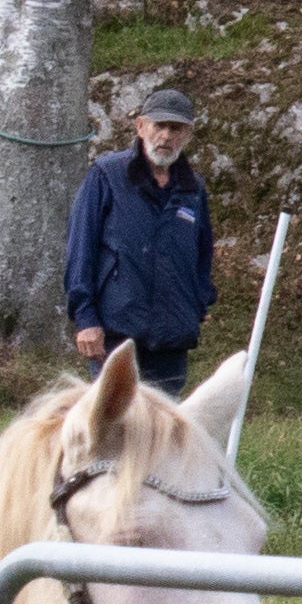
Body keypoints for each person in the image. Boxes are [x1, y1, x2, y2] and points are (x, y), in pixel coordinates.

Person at [62, 79, 218, 388]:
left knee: (163, 419)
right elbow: (80, 249)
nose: (166, 136)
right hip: (115, 335)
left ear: (188, 134)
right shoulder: (107, 175)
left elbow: (202, 255)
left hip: (172, 339)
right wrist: (86, 318)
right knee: (115, 418)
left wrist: (197, 304)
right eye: (159, 126)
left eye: (176, 129)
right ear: (140, 127)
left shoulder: (193, 189)